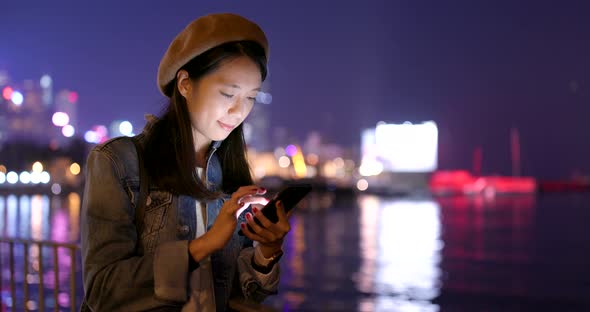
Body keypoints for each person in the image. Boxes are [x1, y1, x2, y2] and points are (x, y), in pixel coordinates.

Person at [81, 13, 291, 311]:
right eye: (228, 93)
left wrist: (267, 252)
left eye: (250, 98)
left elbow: (242, 295)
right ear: (185, 84)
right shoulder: (118, 162)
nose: (238, 110)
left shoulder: (230, 172)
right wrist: (204, 244)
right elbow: (103, 291)